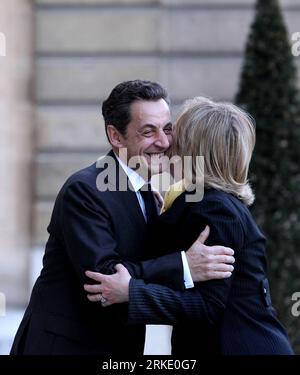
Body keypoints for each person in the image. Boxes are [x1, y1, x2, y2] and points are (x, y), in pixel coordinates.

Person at [10, 81, 234, 355]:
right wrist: (183, 265)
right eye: (148, 132)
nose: (163, 142)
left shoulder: (149, 189)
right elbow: (104, 279)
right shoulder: (85, 190)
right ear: (115, 137)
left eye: (167, 129)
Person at [85, 97, 294, 355]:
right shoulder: (192, 202)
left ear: (193, 151)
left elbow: (207, 307)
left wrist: (131, 292)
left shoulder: (217, 210)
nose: (166, 144)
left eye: (175, 135)